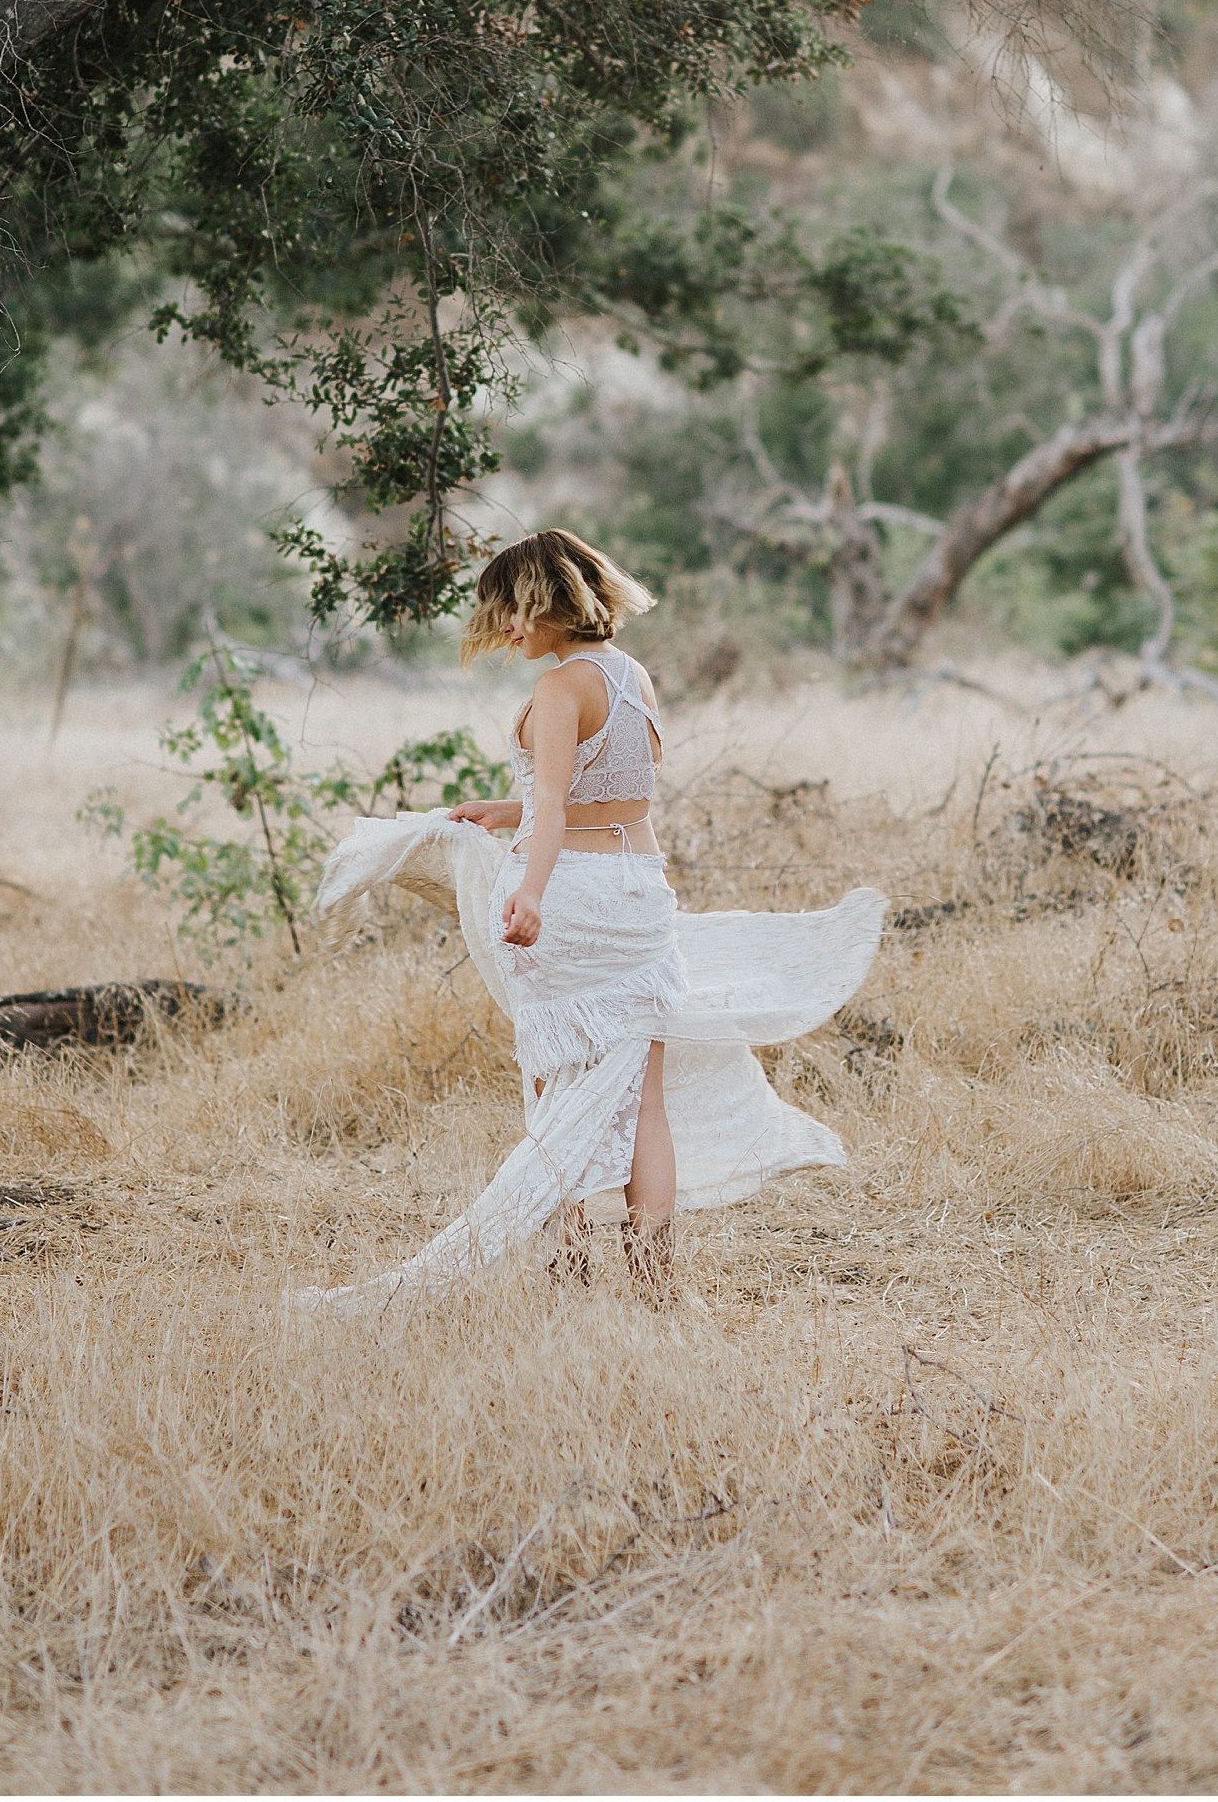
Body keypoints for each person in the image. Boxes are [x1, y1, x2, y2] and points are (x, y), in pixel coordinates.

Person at [294, 530, 886, 1313]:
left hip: (570, 894)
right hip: (639, 892)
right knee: (645, 1099)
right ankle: (654, 1283)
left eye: (511, 612)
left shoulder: (559, 688)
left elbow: (552, 808)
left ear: (543, 602)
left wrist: (531, 889)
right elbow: (611, 798)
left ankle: (568, 1271)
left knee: (551, 1082)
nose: (507, 630)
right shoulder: (632, 677)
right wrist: (499, 812)